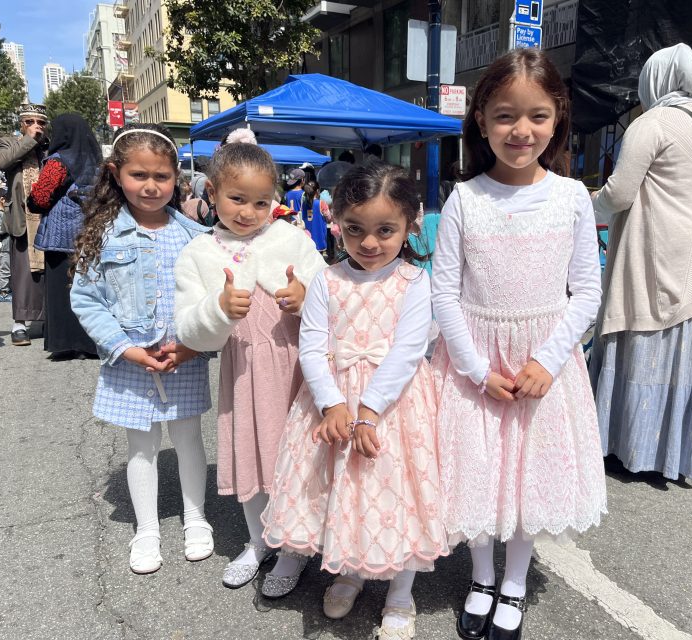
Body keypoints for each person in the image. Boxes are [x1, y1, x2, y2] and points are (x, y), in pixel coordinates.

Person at [431, 48, 606, 640]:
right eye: (505, 115)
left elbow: (585, 293)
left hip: (543, 368)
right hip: (474, 366)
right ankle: (481, 576)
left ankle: (513, 583)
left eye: (536, 115)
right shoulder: (465, 197)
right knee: (477, 473)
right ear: (481, 119)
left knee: (529, 477)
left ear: (557, 118)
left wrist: (546, 361)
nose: (520, 130)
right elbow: (444, 295)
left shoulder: (572, 197)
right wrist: (477, 368)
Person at [262, 163, 448, 638]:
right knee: (342, 490)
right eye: (355, 229)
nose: (369, 243)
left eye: (385, 230)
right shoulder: (327, 279)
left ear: (411, 224)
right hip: (334, 402)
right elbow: (312, 344)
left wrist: (368, 411)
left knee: (397, 493)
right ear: (336, 221)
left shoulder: (414, 281)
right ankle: (350, 570)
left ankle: (401, 591)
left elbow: (408, 352)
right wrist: (330, 403)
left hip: (394, 406)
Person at [174, 141, 327, 590]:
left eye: (261, 201)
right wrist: (218, 309)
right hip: (244, 373)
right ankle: (259, 539)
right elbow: (189, 329)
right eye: (237, 198)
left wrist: (306, 299)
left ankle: (295, 548)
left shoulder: (291, 239)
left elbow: (329, 296)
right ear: (212, 191)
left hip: (297, 370)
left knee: (295, 456)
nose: (248, 211)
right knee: (251, 453)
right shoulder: (201, 252)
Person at [69, 123, 213, 575]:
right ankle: (146, 529)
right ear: (116, 174)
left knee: (190, 440)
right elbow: (86, 300)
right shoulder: (104, 234)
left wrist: (192, 348)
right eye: (138, 175)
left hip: (182, 360)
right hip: (129, 363)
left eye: (162, 177)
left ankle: (196, 519)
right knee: (141, 447)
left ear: (177, 179)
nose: (151, 186)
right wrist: (124, 348)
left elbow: (212, 302)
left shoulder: (196, 236)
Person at [589, 43, 692, 480]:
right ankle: (687, 451)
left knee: (647, 338)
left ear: (653, 79)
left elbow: (617, 194)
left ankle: (633, 447)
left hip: (660, 251)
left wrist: (579, 205)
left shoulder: (650, 123)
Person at [26, 113, 100, 359]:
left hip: (61, 238)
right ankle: (90, 343)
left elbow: (40, 198)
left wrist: (33, 203)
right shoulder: (97, 162)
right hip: (90, 233)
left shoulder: (57, 161)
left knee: (61, 290)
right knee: (90, 289)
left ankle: (65, 343)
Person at [0, 103, 49, 346]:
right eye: (30, 122)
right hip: (22, 218)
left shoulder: (48, 147)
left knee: (49, 273)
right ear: (21, 124)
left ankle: (48, 318)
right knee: (23, 272)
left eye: (41, 123)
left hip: (47, 218)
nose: (36, 127)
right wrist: (29, 140)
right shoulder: (9, 143)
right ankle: (19, 323)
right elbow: (2, 162)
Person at [302, 179, 328, 252]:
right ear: (317, 191)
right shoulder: (321, 203)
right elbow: (328, 217)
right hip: (319, 237)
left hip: (308, 237)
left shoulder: (303, 203)